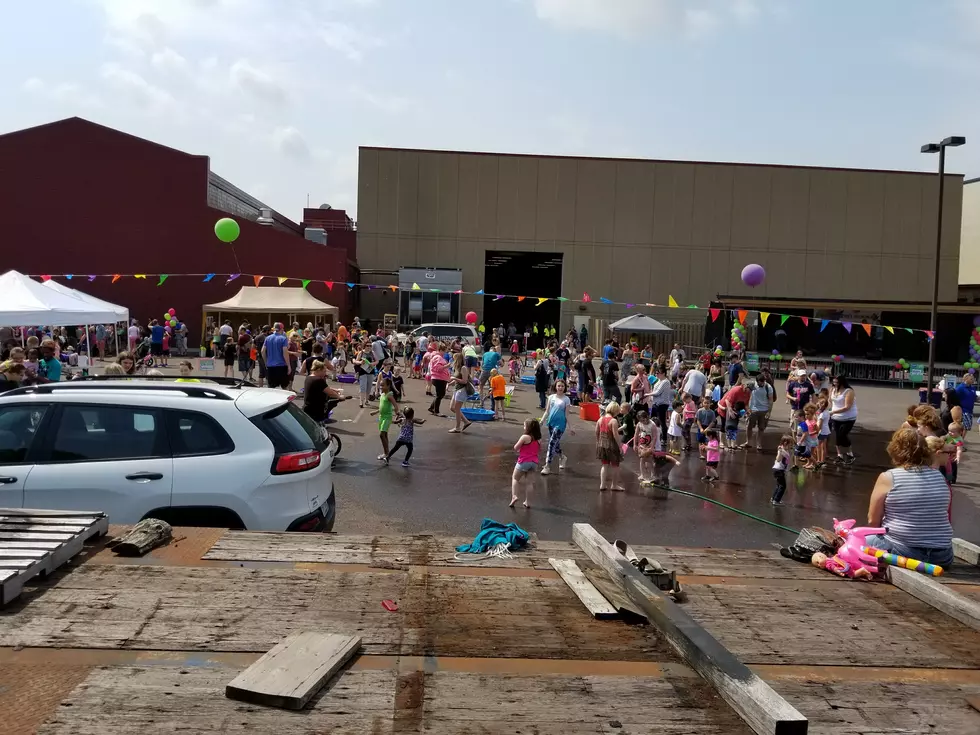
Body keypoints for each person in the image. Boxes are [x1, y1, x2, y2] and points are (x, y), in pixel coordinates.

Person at [864, 427, 954, 566]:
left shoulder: (889, 477)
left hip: (905, 552)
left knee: (859, 540)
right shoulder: (938, 476)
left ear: (895, 450)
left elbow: (873, 522)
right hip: (942, 555)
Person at [541, 379, 572, 475]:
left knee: (551, 443)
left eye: (562, 386)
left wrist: (571, 427)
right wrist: (542, 421)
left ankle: (547, 466)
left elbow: (567, 414)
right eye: (559, 386)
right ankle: (562, 457)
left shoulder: (566, 399)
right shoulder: (551, 397)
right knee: (555, 443)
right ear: (555, 387)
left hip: (560, 425)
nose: (560, 388)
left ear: (564, 388)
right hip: (551, 423)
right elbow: (547, 411)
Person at [511, 418, 542, 508]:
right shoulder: (539, 439)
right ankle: (527, 502)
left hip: (524, 461)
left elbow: (515, 447)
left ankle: (514, 496)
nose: (523, 427)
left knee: (515, 478)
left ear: (528, 428)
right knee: (529, 483)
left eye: (524, 425)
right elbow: (539, 449)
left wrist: (521, 449)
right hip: (534, 463)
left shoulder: (525, 437)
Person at [829, 375, 858, 465]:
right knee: (837, 435)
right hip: (836, 417)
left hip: (848, 417)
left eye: (837, 382)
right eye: (834, 382)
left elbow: (847, 407)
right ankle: (839, 455)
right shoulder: (832, 389)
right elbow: (830, 400)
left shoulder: (849, 391)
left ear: (842, 382)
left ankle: (850, 454)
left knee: (842, 434)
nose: (835, 384)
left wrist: (833, 412)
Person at [595, 402, 624, 492]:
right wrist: (620, 446)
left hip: (602, 445)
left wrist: (598, 441)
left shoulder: (600, 419)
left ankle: (602, 484)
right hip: (612, 446)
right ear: (615, 411)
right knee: (615, 466)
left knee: (604, 465)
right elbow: (615, 435)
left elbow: (596, 431)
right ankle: (614, 485)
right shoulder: (613, 421)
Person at [371, 377, 400, 463]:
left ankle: (386, 453)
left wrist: (397, 414)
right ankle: (387, 452)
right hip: (381, 417)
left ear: (388, 386)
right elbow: (381, 407)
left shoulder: (389, 395)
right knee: (385, 434)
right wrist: (375, 412)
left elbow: (395, 406)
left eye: (383, 385)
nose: (381, 387)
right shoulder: (383, 395)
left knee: (381, 435)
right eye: (380, 385)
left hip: (387, 417)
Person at [745, 374, 774, 451]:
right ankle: (748, 442)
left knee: (761, 428)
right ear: (757, 381)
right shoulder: (753, 384)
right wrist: (747, 408)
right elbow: (745, 392)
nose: (762, 383)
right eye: (761, 382)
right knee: (749, 426)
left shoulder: (768, 387)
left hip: (764, 410)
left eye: (763, 381)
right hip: (753, 409)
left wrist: (769, 412)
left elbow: (771, 400)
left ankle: (759, 444)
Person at [262, 323, 291, 390]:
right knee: (284, 387)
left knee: (271, 388)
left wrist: (266, 362)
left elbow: (262, 351)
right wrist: (289, 365)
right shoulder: (283, 339)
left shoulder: (267, 338)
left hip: (271, 366)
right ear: (282, 329)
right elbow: (285, 353)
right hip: (281, 366)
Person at [633, 408, 656, 485]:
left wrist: (652, 447)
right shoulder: (639, 424)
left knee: (649, 460)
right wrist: (635, 444)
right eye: (640, 420)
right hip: (642, 445)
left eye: (643, 420)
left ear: (647, 417)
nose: (642, 422)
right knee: (642, 460)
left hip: (649, 445)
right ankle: (643, 474)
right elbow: (636, 435)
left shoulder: (652, 425)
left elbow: (655, 437)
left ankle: (653, 475)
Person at [770, 435, 794, 505]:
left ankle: (773, 498)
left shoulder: (785, 450)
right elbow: (778, 459)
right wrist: (780, 452)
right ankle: (776, 500)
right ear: (786, 443)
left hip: (779, 470)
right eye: (791, 444)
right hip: (778, 470)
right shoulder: (781, 450)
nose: (791, 445)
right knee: (783, 486)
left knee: (779, 485)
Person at [428, 344, 451, 416]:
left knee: (440, 394)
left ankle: (432, 408)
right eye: (444, 351)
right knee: (440, 395)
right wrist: (447, 366)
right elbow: (438, 368)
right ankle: (436, 411)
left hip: (439, 378)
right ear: (440, 350)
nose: (444, 353)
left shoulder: (438, 357)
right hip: (439, 378)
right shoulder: (438, 358)